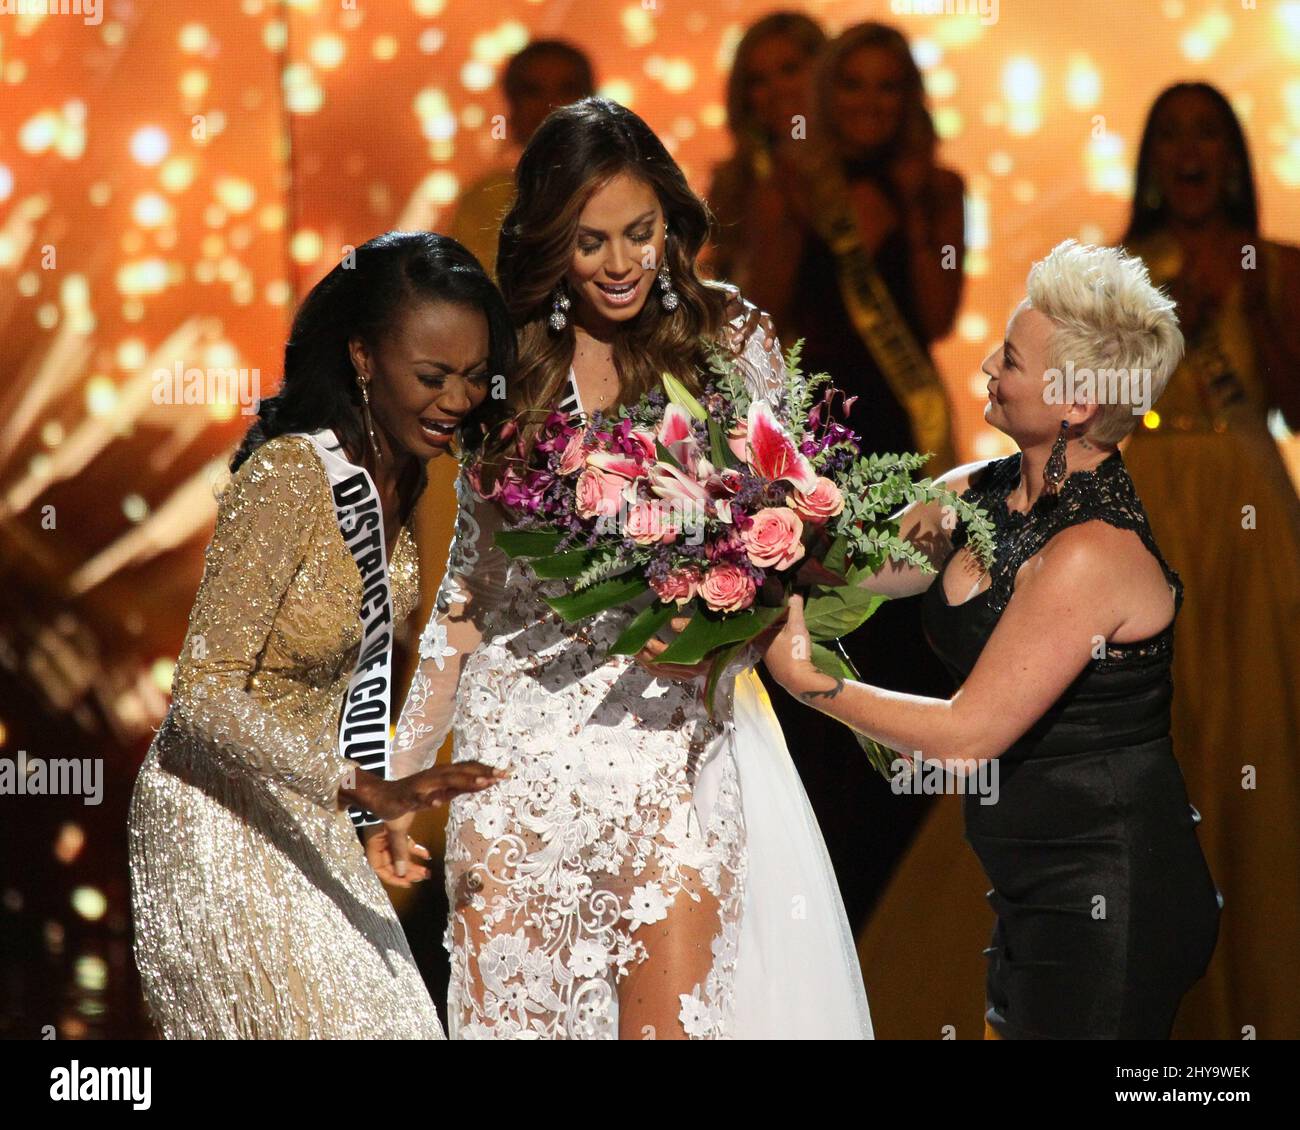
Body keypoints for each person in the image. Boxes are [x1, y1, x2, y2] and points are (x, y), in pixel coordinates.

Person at [385, 98, 872, 1040]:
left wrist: (747, 615)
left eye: (640, 234)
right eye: (590, 241)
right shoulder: (510, 362)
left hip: (670, 749)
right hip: (515, 762)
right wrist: (405, 768)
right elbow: (470, 591)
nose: (620, 265)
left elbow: (797, 533)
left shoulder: (730, 344)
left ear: (670, 222)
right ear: (547, 243)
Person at [763, 240, 1221, 1039]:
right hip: (1028, 887)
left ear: (1076, 401)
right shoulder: (974, 493)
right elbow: (845, 572)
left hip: (1112, 895)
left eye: (1009, 358)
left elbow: (968, 736)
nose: (984, 366)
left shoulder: (1093, 554)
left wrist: (812, 685)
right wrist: (743, 521)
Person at [128, 232, 512, 1038]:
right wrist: (359, 786)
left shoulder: (404, 482)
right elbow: (198, 698)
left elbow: (350, 682)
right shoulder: (292, 476)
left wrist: (369, 810)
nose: (457, 400)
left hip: (312, 810)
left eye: (475, 378)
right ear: (364, 357)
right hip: (216, 817)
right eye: (432, 377)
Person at [723, 19, 968, 934]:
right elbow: (775, 311)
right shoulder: (789, 187)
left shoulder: (938, 189)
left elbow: (937, 316)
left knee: (905, 641)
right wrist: (793, 201)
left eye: (886, 88)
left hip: (902, 441)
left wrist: (917, 213)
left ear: (909, 101)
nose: (868, 104)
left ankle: (906, 887)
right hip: (819, 445)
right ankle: (826, 885)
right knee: (816, 638)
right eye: (851, 87)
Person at [1118, 82, 1300, 1038]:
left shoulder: (1275, 263)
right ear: (1151, 161)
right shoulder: (1112, 271)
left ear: (1231, 156)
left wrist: (1253, 301)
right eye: (1172, 136)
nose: (1190, 153)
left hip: (1247, 504)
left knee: (1258, 726)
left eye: (1208, 136)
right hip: (1145, 499)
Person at [447, 39, 596, 276]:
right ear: (512, 104)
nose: (551, 103)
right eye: (532, 90)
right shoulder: (486, 200)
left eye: (567, 88)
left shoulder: (627, 192)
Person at [706, 11, 826, 288]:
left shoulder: (861, 172)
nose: (776, 90)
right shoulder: (734, 183)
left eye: (789, 70)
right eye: (758, 80)